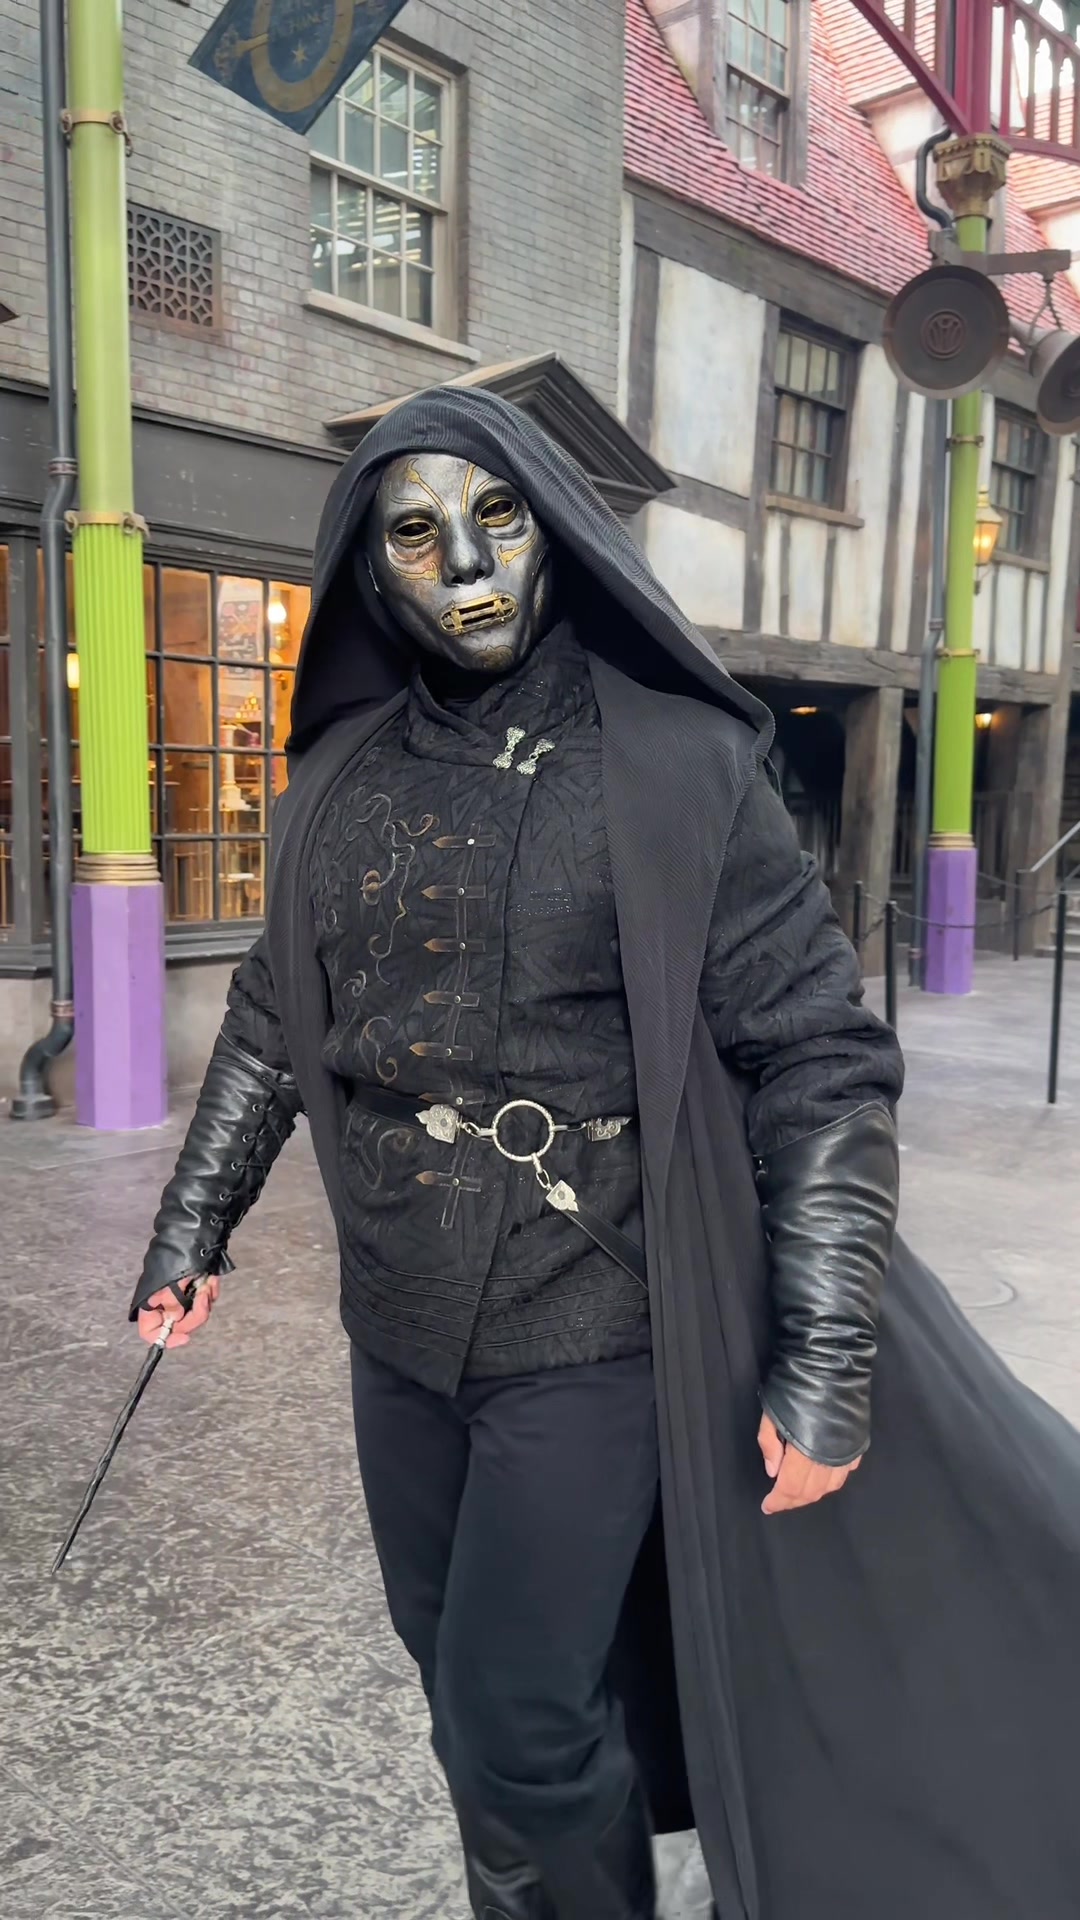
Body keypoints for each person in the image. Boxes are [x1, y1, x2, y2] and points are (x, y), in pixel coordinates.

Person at [132, 388, 1080, 1920]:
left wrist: (826, 1357)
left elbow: (818, 1060)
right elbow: (268, 1017)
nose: (467, 566)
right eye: (417, 535)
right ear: (370, 567)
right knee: (470, 1698)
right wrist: (194, 1226)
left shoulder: (678, 771)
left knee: (512, 1719)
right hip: (397, 1333)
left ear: (555, 532)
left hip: (594, 1324)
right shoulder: (335, 782)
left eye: (498, 519)